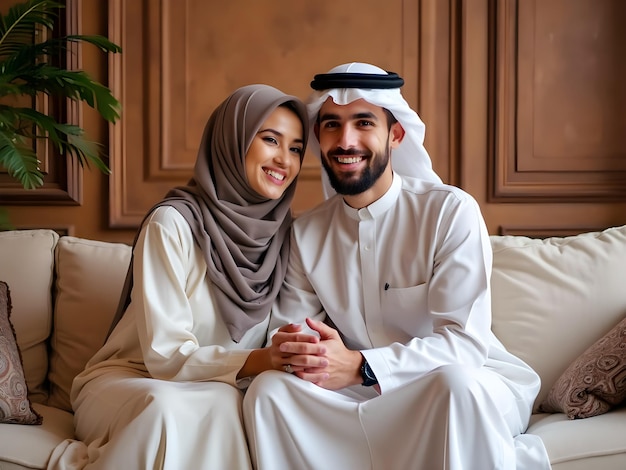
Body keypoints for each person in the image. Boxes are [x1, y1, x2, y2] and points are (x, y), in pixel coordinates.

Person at [242, 63, 552, 469]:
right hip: (357, 392)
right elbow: (293, 329)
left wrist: (362, 366)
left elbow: (464, 346)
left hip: (462, 384)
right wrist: (305, 351)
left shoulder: (449, 212)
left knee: (453, 384)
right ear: (319, 138)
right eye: (331, 125)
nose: (345, 140)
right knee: (269, 391)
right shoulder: (306, 233)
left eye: (364, 122)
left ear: (396, 134)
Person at [48, 84, 322, 469]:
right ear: (232, 140)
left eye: (295, 149)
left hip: (219, 388)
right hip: (131, 381)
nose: (284, 160)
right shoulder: (173, 223)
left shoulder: (287, 236)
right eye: (271, 140)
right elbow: (163, 355)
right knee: (166, 408)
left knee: (229, 405)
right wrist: (260, 359)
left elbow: (284, 328)